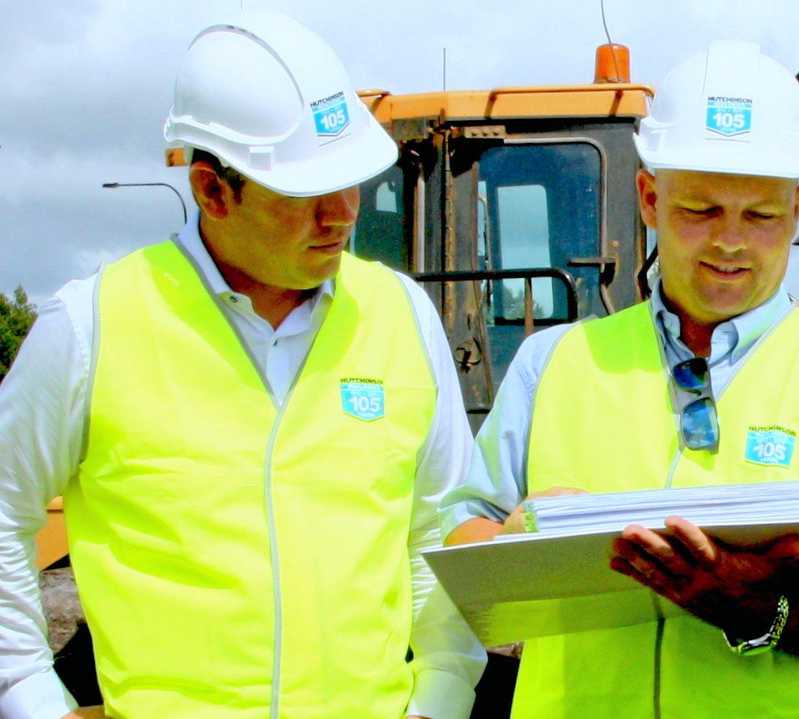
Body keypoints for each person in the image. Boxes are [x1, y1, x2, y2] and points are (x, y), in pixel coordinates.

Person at [0, 11, 485, 719]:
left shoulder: (402, 315)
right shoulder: (91, 327)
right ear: (211, 190)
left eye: (351, 180)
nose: (343, 213)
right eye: (305, 193)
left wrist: (439, 693)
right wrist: (29, 693)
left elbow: (440, 529)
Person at [440, 41, 799, 718]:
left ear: (797, 209)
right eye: (700, 210)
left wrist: (746, 601)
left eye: (759, 215)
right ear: (649, 197)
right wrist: (515, 542)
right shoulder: (550, 366)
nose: (729, 240)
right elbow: (461, 541)